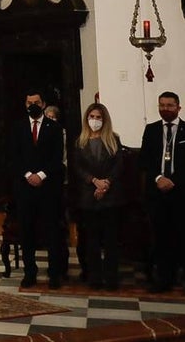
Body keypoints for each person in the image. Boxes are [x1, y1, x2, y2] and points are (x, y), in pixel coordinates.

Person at [139, 91, 185, 297]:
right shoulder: (151, 130)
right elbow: (145, 160)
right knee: (161, 239)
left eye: (170, 105)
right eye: (162, 105)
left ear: (178, 107)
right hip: (157, 193)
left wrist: (173, 181)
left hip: (182, 193)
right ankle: (163, 280)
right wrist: (159, 178)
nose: (165, 109)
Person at [10, 90, 66, 289]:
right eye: (29, 102)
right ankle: (30, 272)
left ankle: (54, 274)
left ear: (43, 104)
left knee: (52, 231)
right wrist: (28, 175)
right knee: (27, 231)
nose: (32, 105)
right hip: (25, 188)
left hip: (48, 187)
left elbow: (57, 158)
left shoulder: (54, 128)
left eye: (36, 102)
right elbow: (13, 157)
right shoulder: (17, 127)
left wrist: (41, 175)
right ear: (25, 105)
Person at [72, 103, 123, 290]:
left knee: (111, 240)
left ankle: (111, 277)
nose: (95, 120)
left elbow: (118, 166)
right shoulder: (80, 142)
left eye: (98, 117)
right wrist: (94, 181)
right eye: (92, 117)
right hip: (88, 195)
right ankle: (94, 276)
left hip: (110, 196)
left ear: (105, 120)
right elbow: (78, 167)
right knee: (91, 239)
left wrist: (106, 183)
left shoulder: (114, 140)